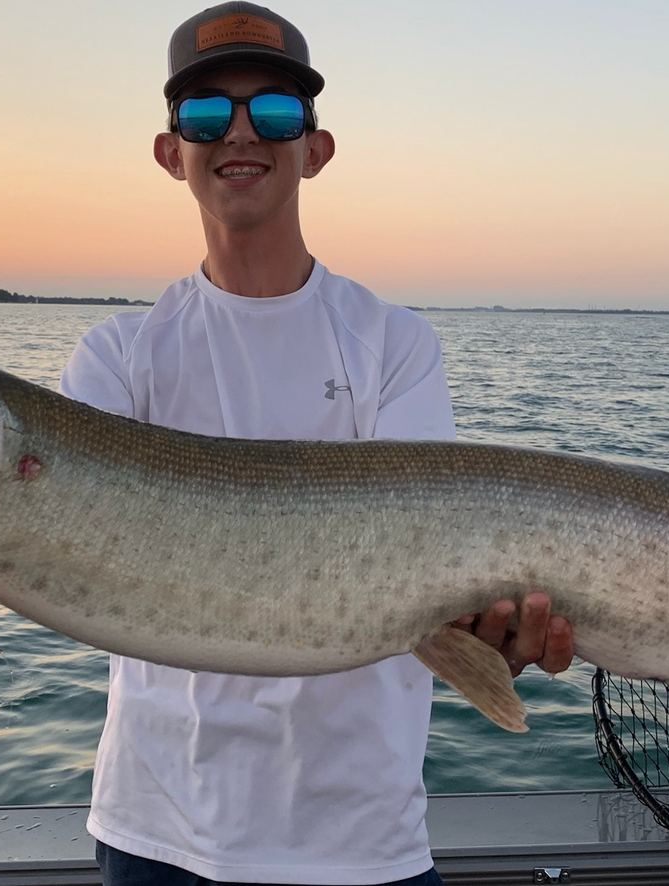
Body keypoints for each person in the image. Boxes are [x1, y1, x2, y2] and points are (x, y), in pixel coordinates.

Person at [56, 5, 577, 885]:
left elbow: (433, 572)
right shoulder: (115, 356)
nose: (242, 134)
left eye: (278, 112)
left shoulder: (396, 344)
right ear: (169, 150)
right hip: (157, 833)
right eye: (207, 116)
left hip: (360, 847)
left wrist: (494, 632)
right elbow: (37, 530)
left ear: (318, 148)